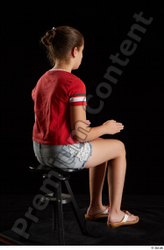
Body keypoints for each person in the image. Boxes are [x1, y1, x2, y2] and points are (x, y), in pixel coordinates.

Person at [32, 26, 139, 228]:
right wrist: (106, 127)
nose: (82, 55)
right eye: (82, 51)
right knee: (118, 147)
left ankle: (96, 207)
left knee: (99, 144)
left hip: (40, 151)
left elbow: (50, 118)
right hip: (62, 153)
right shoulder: (74, 83)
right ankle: (115, 213)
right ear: (75, 51)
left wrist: (78, 127)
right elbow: (81, 136)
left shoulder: (42, 80)